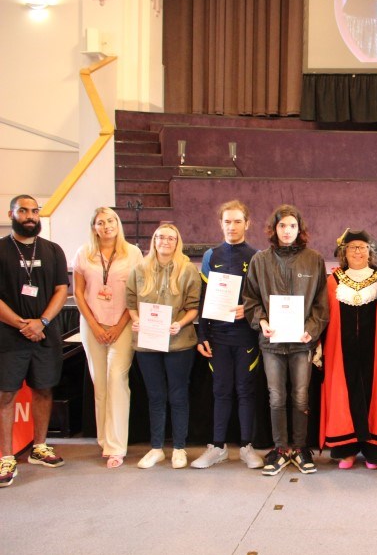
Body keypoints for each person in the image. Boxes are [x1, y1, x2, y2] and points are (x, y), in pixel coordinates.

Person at [243, 205, 328, 476]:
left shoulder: (314, 259)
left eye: (292, 226)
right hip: (272, 343)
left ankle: (301, 448)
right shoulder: (260, 260)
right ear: (274, 229)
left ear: (299, 229)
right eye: (282, 226)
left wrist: (311, 331)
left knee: (301, 397)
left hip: (302, 342)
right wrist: (262, 322)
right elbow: (251, 300)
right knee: (276, 396)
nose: (287, 231)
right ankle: (280, 449)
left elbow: (321, 304)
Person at [0, 195, 68, 488]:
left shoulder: (52, 250)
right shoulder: (1, 249)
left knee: (44, 389)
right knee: (6, 394)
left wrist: (40, 323)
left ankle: (40, 447)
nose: (30, 216)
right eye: (23, 211)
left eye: (34, 211)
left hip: (45, 333)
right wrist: (20, 324)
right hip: (8, 334)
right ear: (11, 213)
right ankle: (5, 456)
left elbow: (61, 289)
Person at [191, 201, 263, 470]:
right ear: (220, 224)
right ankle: (217, 447)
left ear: (247, 223)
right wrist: (202, 335)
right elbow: (204, 297)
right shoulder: (212, 256)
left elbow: (261, 298)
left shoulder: (256, 256)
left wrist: (250, 308)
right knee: (220, 391)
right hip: (218, 336)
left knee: (245, 391)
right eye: (227, 222)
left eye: (237, 221)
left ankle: (246, 447)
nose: (232, 226)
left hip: (245, 336)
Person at [72, 207, 143, 469]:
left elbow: (135, 294)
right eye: (100, 222)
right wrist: (95, 326)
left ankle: (116, 446)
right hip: (92, 324)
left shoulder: (133, 253)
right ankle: (104, 439)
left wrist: (118, 325)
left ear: (118, 223)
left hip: (122, 325)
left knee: (116, 381)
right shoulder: (83, 253)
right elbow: (78, 293)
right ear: (94, 227)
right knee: (99, 383)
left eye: (111, 220)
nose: (107, 225)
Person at [320, 229, 377, 470]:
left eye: (363, 247)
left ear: (371, 251)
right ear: (343, 252)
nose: (358, 251)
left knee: (375, 392)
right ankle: (347, 449)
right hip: (341, 352)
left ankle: (373, 447)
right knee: (343, 393)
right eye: (352, 247)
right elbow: (323, 316)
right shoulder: (333, 281)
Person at [127, 224, 201, 469]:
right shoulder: (139, 268)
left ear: (177, 241)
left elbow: (193, 307)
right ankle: (156, 447)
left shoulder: (188, 269)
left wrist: (179, 323)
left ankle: (179, 448)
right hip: (147, 345)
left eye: (170, 237)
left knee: (178, 395)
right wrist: (136, 320)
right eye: (160, 237)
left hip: (179, 343)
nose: (165, 241)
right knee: (155, 396)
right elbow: (130, 301)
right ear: (154, 240)